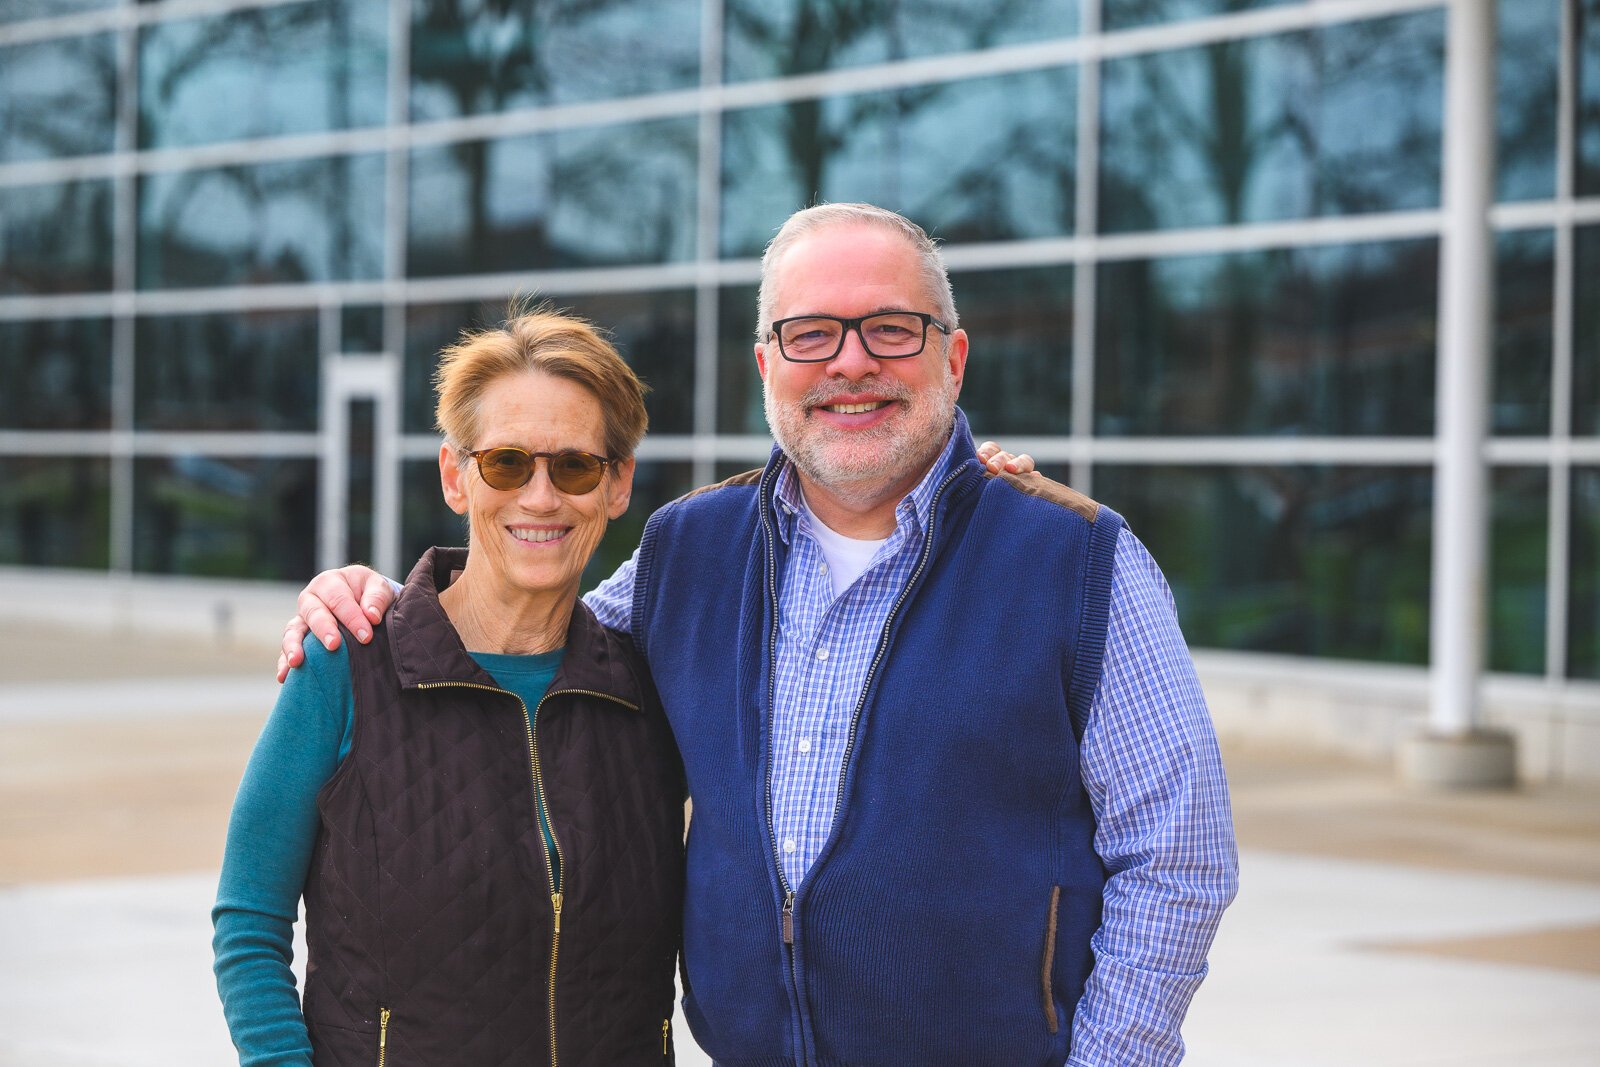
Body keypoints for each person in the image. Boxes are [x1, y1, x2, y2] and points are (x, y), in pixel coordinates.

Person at [284, 203, 1239, 1066]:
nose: (851, 362)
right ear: (766, 365)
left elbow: (1179, 856)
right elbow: (522, 635)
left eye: (891, 330)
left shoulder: (1077, 560)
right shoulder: (685, 550)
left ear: (952, 359)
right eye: (811, 334)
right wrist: (373, 599)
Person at [215, 310, 685, 1066]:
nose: (539, 497)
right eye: (505, 462)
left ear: (618, 483)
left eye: (573, 466)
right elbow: (249, 922)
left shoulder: (651, 685)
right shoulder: (347, 662)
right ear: (454, 476)